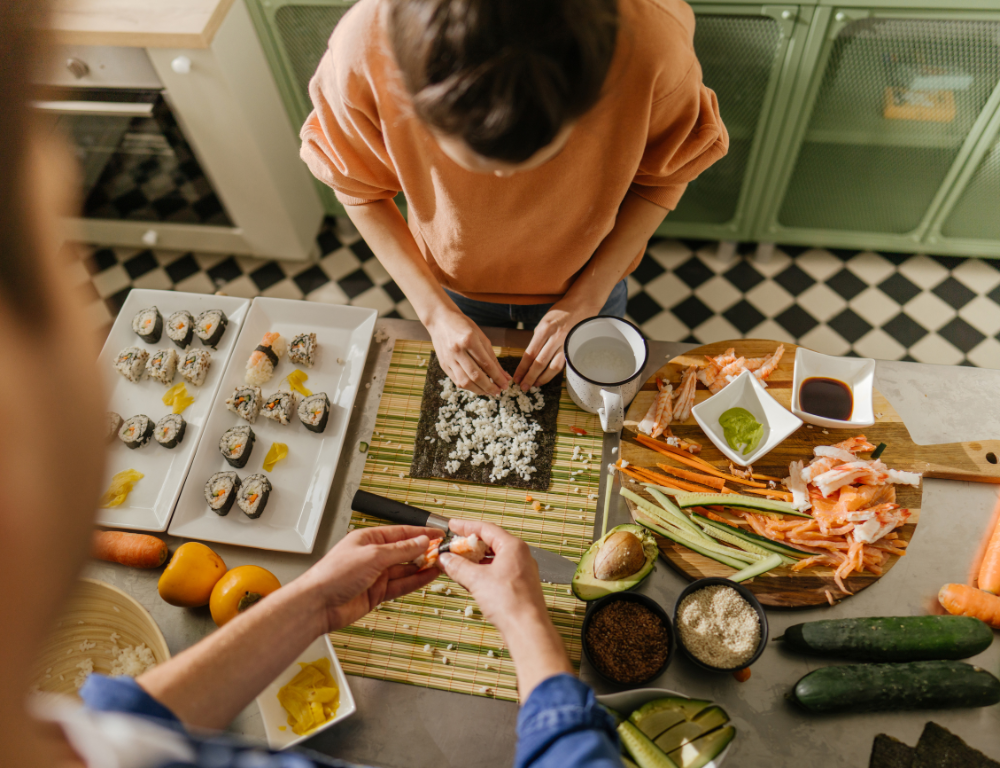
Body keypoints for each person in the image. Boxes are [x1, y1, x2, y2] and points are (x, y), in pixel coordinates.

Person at [0, 8, 624, 768]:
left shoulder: (60, 734)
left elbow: (119, 730)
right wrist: (529, 622)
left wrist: (311, 604)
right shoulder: (365, 47)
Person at [301, 0, 728, 397]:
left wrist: (588, 298)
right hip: (453, 285)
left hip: (591, 276)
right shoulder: (363, 48)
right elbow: (357, 188)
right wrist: (434, 313)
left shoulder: (654, 43)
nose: (505, 178)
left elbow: (663, 178)